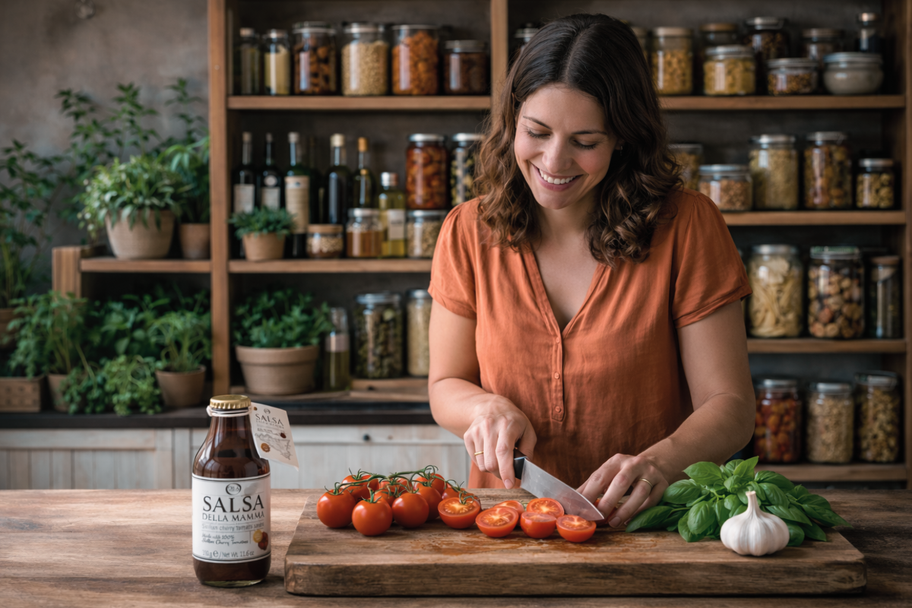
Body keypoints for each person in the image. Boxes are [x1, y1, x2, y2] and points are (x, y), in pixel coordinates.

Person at [426, 13, 756, 528]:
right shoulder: (468, 230)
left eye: (585, 142)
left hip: (652, 524)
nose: (555, 162)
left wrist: (661, 463)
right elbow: (446, 383)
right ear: (513, 119)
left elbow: (731, 405)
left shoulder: (687, 225)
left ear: (623, 137)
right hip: (507, 523)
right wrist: (482, 408)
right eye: (536, 132)